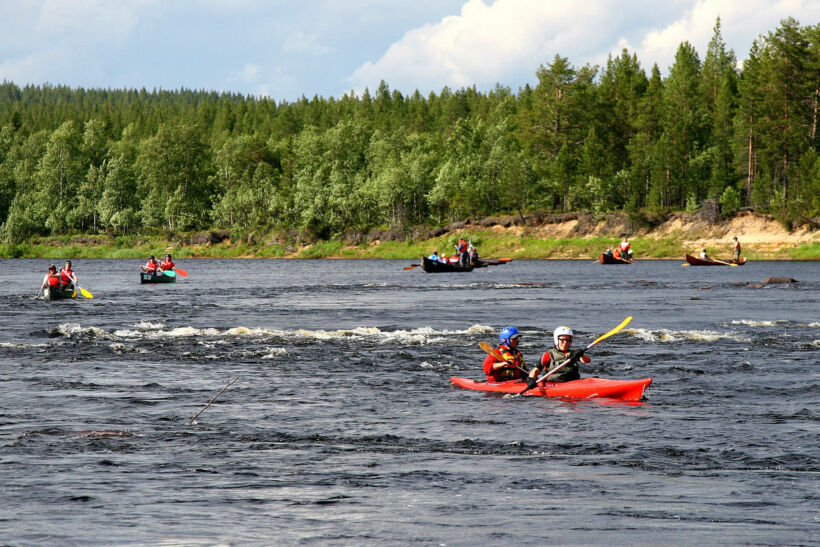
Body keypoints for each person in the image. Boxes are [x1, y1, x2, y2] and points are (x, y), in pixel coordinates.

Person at [525, 326, 590, 387]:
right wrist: (531, 379)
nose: (565, 343)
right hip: (554, 384)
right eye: (562, 340)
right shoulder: (549, 354)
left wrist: (582, 354)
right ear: (557, 340)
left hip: (573, 382)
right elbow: (536, 370)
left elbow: (587, 360)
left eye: (568, 340)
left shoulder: (574, 353)